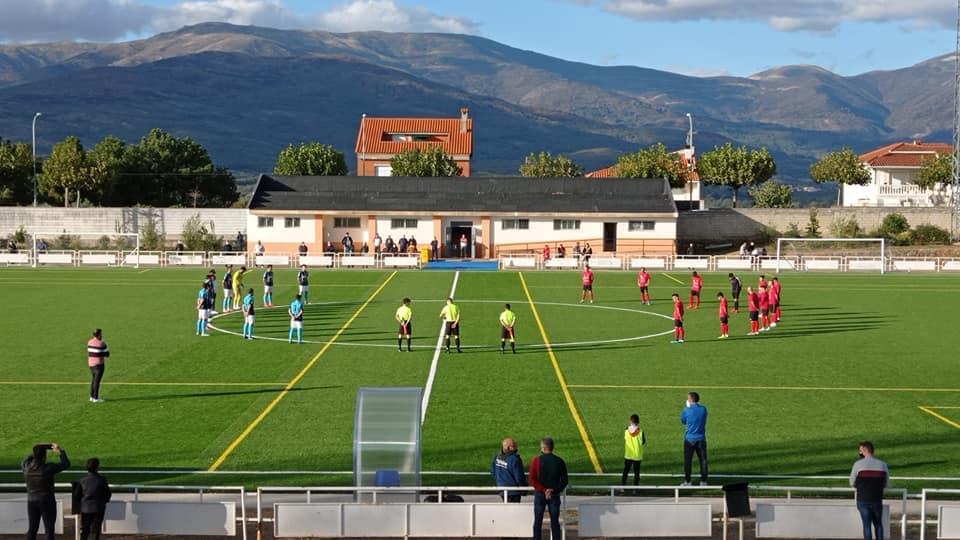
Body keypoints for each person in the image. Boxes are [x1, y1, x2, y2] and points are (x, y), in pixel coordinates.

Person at [22, 443, 70, 540]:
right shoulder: (48, 468)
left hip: (32, 501)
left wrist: (39, 450)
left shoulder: (26, 467)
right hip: (47, 501)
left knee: (32, 529)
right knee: (49, 530)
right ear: (44, 456)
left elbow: (26, 459)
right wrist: (60, 451)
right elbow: (66, 464)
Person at [530, 437, 568, 540]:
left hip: (540, 495)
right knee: (555, 522)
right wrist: (553, 490)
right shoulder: (560, 461)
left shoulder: (536, 460)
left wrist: (544, 490)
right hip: (554, 495)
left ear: (542, 448)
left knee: (538, 521)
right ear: (552, 447)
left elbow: (532, 479)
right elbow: (564, 481)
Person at [850, 441, 889, 540]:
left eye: (860, 450)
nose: (859, 452)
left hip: (863, 499)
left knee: (867, 526)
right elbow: (886, 483)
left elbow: (852, 483)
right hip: (876, 500)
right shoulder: (883, 465)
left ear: (864, 450)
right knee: (878, 525)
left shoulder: (858, 464)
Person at [77, 457, 111, 540]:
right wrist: (104, 501)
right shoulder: (102, 480)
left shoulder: (82, 480)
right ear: (97, 467)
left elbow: (77, 495)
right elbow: (107, 494)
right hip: (98, 508)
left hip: (86, 509)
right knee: (95, 531)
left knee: (85, 530)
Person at [681, 391, 708, 486]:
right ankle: (703, 481)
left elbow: (683, 421)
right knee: (703, 460)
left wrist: (688, 408)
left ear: (690, 400)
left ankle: (688, 481)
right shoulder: (704, 409)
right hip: (701, 438)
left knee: (688, 461)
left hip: (689, 439)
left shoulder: (686, 410)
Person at [491, 437, 527, 503]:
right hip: (513, 492)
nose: (516, 447)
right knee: (513, 511)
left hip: (501, 490)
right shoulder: (515, 459)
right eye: (514, 445)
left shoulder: (497, 457)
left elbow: (493, 472)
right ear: (508, 447)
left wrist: (500, 482)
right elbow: (519, 477)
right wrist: (524, 489)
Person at [622, 414, 646, 486]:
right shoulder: (641, 432)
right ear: (638, 422)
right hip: (637, 455)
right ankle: (636, 488)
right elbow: (643, 442)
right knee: (636, 472)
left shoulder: (626, 431)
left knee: (626, 471)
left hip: (628, 454)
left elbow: (625, 439)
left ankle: (623, 485)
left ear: (630, 421)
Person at [87, 328, 109, 403]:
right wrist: (102, 353)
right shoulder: (101, 343)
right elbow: (107, 354)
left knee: (93, 380)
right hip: (99, 365)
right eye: (101, 334)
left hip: (91, 364)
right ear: (99, 335)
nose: (102, 335)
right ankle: (96, 398)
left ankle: (92, 396)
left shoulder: (89, 342)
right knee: (97, 381)